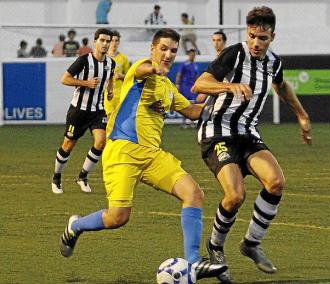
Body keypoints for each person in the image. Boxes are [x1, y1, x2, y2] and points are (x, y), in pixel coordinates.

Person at [58, 28, 227, 281]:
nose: (168, 54)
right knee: (118, 217)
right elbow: (142, 70)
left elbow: (193, 111)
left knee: (193, 193)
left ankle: (192, 263)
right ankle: (76, 226)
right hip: (122, 152)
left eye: (172, 50)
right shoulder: (142, 69)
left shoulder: (168, 87)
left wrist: (226, 96)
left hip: (152, 156)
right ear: (152, 48)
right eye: (163, 49)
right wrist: (154, 69)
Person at [191, 6, 312, 283]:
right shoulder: (234, 54)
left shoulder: (273, 62)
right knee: (235, 195)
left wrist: (302, 115)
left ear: (273, 36)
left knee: (276, 182)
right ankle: (215, 247)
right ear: (247, 33)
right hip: (217, 132)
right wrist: (228, 86)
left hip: (246, 132)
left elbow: (282, 87)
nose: (257, 43)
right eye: (253, 36)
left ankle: (251, 243)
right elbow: (200, 84)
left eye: (263, 38)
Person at [51, 28, 115, 194]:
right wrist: (86, 83)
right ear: (95, 41)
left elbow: (110, 77)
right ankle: (56, 177)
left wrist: (110, 89)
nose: (105, 44)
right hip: (78, 111)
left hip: (97, 111)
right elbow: (64, 79)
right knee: (68, 144)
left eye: (108, 41)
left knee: (101, 142)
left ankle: (82, 176)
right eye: (102, 40)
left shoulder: (110, 63)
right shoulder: (83, 60)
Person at [196, 30, 227, 104]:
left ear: (224, 42)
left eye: (219, 40)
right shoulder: (217, 59)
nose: (216, 43)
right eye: (214, 40)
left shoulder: (226, 58)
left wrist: (205, 92)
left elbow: (219, 78)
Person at [104, 30, 130, 117]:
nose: (114, 43)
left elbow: (129, 77)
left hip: (119, 94)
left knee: (119, 120)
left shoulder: (123, 58)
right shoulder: (103, 57)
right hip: (106, 94)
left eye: (116, 40)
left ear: (119, 42)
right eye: (112, 40)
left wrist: (121, 76)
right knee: (108, 121)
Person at [175, 48, 199, 128]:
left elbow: (196, 77)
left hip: (192, 88)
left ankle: (191, 122)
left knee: (192, 104)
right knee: (185, 104)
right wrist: (177, 84)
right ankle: (184, 123)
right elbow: (179, 74)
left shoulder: (195, 65)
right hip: (185, 87)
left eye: (194, 55)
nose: (193, 56)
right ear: (189, 55)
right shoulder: (185, 64)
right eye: (192, 54)